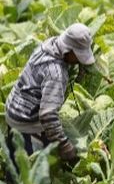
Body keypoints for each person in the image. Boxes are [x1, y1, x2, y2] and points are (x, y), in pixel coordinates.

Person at [5, 23, 95, 165]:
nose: (79, 60)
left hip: (13, 108)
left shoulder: (49, 44)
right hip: (25, 123)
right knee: (27, 177)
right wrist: (65, 145)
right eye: (78, 55)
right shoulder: (56, 73)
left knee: (15, 161)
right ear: (69, 50)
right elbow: (47, 115)